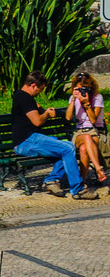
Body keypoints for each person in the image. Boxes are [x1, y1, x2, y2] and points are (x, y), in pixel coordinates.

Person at [10, 70, 97, 199]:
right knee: (68, 149)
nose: (40, 92)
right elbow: (38, 121)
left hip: (31, 140)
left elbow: (34, 109)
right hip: (27, 141)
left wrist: (42, 109)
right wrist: (47, 114)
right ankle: (78, 190)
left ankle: (51, 180)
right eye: (40, 89)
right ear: (33, 85)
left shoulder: (21, 95)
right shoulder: (25, 98)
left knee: (67, 145)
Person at [66, 71, 108, 187]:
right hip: (79, 133)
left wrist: (87, 104)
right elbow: (68, 117)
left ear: (91, 88)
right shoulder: (73, 98)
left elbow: (93, 120)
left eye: (85, 89)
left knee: (84, 148)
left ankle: (82, 182)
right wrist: (73, 100)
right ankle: (98, 169)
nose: (82, 92)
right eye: (79, 89)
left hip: (95, 131)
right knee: (86, 138)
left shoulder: (97, 98)